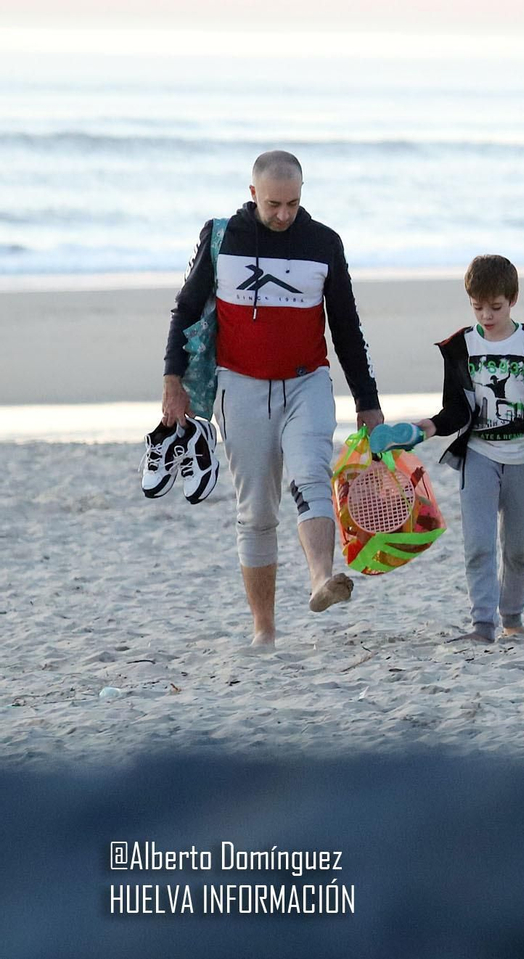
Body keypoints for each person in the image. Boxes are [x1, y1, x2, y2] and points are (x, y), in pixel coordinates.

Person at [162, 150, 384, 649]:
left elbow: (347, 329)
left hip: (308, 382)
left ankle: (321, 578)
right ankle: (264, 628)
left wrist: (367, 403)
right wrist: (172, 380)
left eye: (293, 203)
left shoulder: (324, 243)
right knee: (256, 511)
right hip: (240, 387)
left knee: (311, 474)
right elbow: (185, 309)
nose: (284, 214)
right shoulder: (223, 238)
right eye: (274, 204)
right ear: (253, 194)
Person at [376, 255, 524, 644]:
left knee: (518, 549)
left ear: (512, 299)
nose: (487, 315)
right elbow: (455, 410)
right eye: (478, 307)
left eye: (495, 307)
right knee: (478, 545)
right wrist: (421, 430)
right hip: (479, 456)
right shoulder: (460, 346)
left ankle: (512, 617)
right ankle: (482, 625)